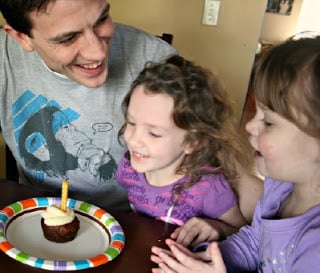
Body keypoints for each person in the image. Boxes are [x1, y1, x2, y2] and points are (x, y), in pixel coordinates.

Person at [150, 36, 320, 272]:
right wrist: (205, 258)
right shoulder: (278, 188)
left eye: (268, 122)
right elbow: (253, 243)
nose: (250, 125)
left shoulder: (315, 248)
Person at [0, 0, 177, 211]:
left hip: (130, 220)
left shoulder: (157, 60)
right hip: (34, 212)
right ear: (22, 38)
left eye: (101, 19)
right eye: (68, 38)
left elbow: (202, 167)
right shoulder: (4, 57)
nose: (98, 53)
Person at [115, 54, 251, 229]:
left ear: (193, 142)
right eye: (131, 123)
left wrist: (218, 228)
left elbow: (240, 233)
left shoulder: (208, 189)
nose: (133, 140)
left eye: (154, 133)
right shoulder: (128, 170)